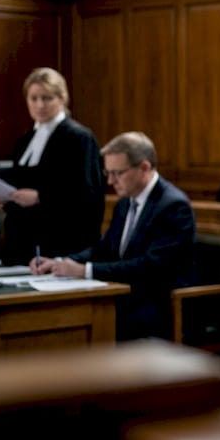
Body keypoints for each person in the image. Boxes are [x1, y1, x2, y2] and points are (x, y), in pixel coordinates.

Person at [31, 131, 196, 341]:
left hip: (161, 302)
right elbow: (105, 248)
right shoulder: (125, 201)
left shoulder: (173, 205)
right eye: (107, 173)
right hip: (129, 295)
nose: (110, 181)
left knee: (80, 324)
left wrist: (86, 271)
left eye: (118, 173)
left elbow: (152, 267)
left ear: (144, 168)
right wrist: (63, 262)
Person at [0, 67, 104, 266]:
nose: (40, 105)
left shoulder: (79, 138)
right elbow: (21, 182)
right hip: (22, 241)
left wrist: (41, 197)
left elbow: (87, 193)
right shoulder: (25, 140)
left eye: (47, 98)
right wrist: (5, 197)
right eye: (34, 98)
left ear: (62, 98)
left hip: (60, 241)